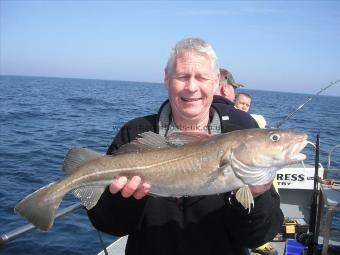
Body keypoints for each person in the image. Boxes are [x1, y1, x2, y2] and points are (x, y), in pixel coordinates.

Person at [87, 37, 283, 255]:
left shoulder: (243, 129)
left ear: (216, 81)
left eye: (201, 77)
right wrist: (125, 199)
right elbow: (108, 224)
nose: (191, 87)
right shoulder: (136, 132)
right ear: (166, 79)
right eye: (182, 77)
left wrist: (257, 195)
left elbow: (258, 236)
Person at [235, 92, 277, 255]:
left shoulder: (254, 121)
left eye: (247, 105)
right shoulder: (230, 124)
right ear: (234, 102)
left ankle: (259, 240)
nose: (244, 107)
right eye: (241, 103)